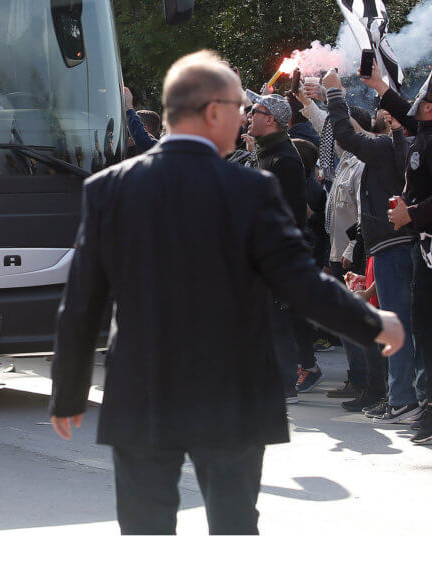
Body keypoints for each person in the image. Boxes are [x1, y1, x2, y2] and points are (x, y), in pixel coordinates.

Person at [49, 50, 404, 535]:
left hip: (143, 389)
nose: (243, 118)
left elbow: (81, 305)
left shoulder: (109, 189)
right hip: (232, 393)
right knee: (234, 528)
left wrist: (67, 392)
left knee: (144, 528)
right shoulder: (251, 190)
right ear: (212, 111)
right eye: (239, 107)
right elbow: (299, 282)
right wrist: (372, 323)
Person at [322, 72, 424, 428]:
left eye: (387, 107)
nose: (381, 108)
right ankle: (413, 396)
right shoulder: (399, 146)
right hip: (389, 245)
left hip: (393, 246)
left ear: (395, 118)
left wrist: (334, 93)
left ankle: (402, 399)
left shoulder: (387, 147)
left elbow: (347, 135)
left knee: (394, 326)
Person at [366, 61, 432, 426]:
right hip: (424, 243)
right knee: (427, 322)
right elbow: (405, 117)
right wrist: (378, 86)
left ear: (429, 107)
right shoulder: (428, 132)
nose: (415, 100)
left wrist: (414, 213)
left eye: (421, 97)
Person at [247, 93, 309, 399]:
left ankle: (285, 384)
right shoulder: (267, 153)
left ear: (270, 118)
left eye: (255, 111)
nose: (249, 116)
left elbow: (291, 213)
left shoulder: (284, 159)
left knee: (277, 318)